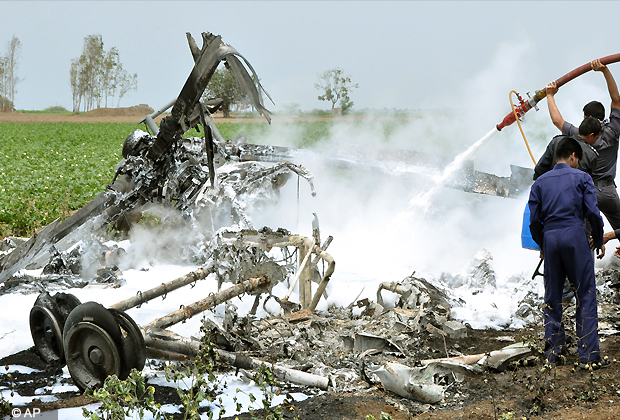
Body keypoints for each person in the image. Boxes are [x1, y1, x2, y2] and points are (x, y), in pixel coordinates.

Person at [529, 137, 608, 367]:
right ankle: (589, 357)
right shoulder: (582, 177)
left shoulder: (540, 182)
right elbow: (593, 212)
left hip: (551, 239)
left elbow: (534, 222)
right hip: (575, 237)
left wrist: (543, 244)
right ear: (573, 156)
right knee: (585, 294)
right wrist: (598, 236)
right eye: (577, 159)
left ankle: (553, 354)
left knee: (553, 298)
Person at [546, 59, 620, 244]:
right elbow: (616, 100)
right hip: (609, 191)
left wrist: (550, 95)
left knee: (585, 236)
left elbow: (557, 120)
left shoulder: (579, 134)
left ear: (587, 118)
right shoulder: (613, 131)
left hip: (587, 191)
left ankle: (583, 266)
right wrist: (605, 71)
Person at [533, 117, 600, 180]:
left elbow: (540, 168)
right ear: (591, 135)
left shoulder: (557, 141)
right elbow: (586, 182)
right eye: (596, 138)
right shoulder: (591, 155)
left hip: (550, 188)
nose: (595, 141)